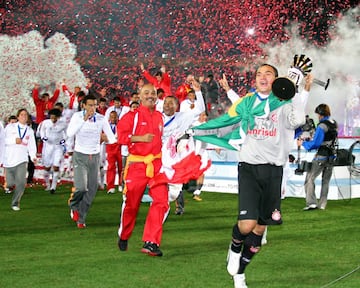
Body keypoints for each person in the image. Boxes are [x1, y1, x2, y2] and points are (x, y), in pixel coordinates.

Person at [192, 64, 313, 288]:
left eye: (268, 73)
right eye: (259, 74)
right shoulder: (246, 102)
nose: (263, 77)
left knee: (259, 230)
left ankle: (240, 274)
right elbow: (227, 119)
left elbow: (297, 121)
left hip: (274, 170)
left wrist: (298, 92)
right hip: (249, 167)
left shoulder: (285, 104)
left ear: (277, 80)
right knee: (247, 225)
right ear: (255, 79)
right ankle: (235, 246)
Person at [116, 83, 168, 256]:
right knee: (132, 205)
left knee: (161, 201)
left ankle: (151, 242)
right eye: (146, 93)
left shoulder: (160, 116)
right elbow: (120, 137)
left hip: (156, 166)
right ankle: (124, 235)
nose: (150, 96)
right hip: (137, 166)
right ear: (139, 95)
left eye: (153, 93)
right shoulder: (131, 116)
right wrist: (140, 138)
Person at [67, 94, 116, 228]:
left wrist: (106, 138)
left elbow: (112, 138)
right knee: (82, 187)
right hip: (80, 155)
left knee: (92, 190)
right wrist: (83, 119)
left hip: (94, 156)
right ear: (83, 105)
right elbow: (70, 133)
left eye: (95, 105)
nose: (93, 108)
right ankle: (74, 204)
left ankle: (81, 219)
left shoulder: (101, 119)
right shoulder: (77, 117)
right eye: (90, 105)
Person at [299, 104, 337, 211]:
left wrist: (303, 143)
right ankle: (322, 204)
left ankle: (311, 203)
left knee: (310, 178)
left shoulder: (321, 126)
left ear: (320, 114)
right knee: (326, 181)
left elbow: (316, 144)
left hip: (321, 156)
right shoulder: (333, 123)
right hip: (332, 155)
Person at [3, 108, 37, 211]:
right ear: (18, 117)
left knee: (21, 182)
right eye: (22, 115)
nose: (24, 117)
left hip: (22, 159)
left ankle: (15, 203)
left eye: (26, 115)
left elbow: (32, 145)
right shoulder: (10, 127)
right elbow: (3, 140)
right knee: (9, 183)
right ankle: (9, 185)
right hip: (9, 159)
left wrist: (33, 156)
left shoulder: (29, 131)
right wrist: (14, 140)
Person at [39, 108, 67, 194]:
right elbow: (41, 131)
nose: (53, 119)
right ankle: (47, 184)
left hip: (58, 147)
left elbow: (67, 133)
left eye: (55, 118)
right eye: (52, 117)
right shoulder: (45, 123)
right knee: (47, 167)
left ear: (58, 117)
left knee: (56, 166)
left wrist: (64, 140)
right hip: (48, 146)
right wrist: (43, 137)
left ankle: (53, 187)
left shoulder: (63, 124)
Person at [105, 111, 122, 194]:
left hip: (119, 147)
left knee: (121, 167)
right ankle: (110, 186)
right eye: (111, 117)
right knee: (111, 167)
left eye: (115, 117)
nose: (113, 119)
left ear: (117, 118)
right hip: (110, 147)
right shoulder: (106, 126)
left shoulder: (121, 126)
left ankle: (120, 184)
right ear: (109, 118)